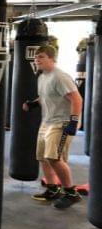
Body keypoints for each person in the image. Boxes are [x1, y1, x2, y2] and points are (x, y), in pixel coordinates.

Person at [23, 44, 83, 209]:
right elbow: (45, 97)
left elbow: (77, 99)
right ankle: (52, 189)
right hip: (47, 121)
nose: (37, 60)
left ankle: (71, 193)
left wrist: (72, 122)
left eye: (41, 57)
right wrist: (33, 104)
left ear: (52, 59)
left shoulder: (60, 77)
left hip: (62, 122)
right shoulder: (43, 77)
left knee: (54, 158)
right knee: (43, 157)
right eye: (36, 57)